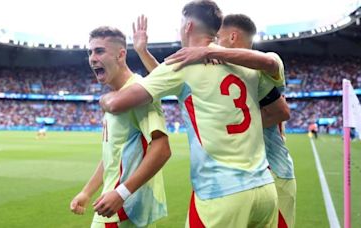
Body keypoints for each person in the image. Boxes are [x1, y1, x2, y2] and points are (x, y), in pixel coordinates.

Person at [100, 1, 280, 227]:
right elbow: (278, 104)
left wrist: (103, 99)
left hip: (220, 195)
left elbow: (117, 103)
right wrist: (142, 51)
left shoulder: (182, 64)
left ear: (188, 26)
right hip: (265, 190)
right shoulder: (245, 61)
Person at [164, 14, 296, 228]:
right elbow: (176, 80)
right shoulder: (228, 67)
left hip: (273, 170)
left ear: (232, 37)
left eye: (217, 37)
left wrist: (211, 51)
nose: (214, 42)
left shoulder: (262, 62)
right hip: (243, 175)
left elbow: (281, 109)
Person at [70, 26, 171, 228]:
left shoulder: (139, 92)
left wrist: (121, 193)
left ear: (121, 55)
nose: (92, 58)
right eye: (90, 52)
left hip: (121, 208)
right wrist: (87, 192)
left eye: (99, 51)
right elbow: (113, 155)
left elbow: (162, 148)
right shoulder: (117, 96)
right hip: (119, 204)